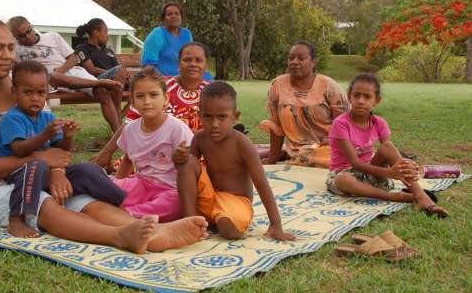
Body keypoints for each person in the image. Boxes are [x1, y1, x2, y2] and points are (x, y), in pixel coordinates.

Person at [0, 17, 208, 254]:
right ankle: (120, 236)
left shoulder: (26, 89)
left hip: (36, 175)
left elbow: (52, 147)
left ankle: (155, 231)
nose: (7, 55)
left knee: (81, 198)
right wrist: (44, 160)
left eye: (11, 47)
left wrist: (57, 173)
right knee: (44, 203)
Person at [0, 60, 126, 238]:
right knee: (36, 164)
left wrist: (68, 137)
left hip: (48, 173)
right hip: (20, 173)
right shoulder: (12, 119)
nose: (35, 98)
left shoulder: (47, 117)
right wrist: (45, 136)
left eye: (41, 93)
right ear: (14, 92)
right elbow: (19, 149)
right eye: (28, 92)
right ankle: (17, 219)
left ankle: (123, 202)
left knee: (88, 169)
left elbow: (61, 152)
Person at [177, 81, 297, 241]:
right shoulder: (199, 138)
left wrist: (276, 224)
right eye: (207, 116)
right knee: (187, 162)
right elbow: (191, 174)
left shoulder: (242, 144)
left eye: (222, 117)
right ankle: (191, 222)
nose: (214, 124)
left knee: (228, 227)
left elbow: (262, 184)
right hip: (209, 198)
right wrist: (179, 160)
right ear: (200, 115)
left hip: (235, 203)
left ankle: (217, 221)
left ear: (235, 117)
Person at [326, 73, 448, 217]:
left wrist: (407, 165)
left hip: (371, 173)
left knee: (388, 147)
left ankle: (421, 197)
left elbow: (390, 152)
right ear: (349, 96)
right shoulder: (341, 123)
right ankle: (399, 197)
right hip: (344, 174)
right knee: (343, 180)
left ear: (376, 100)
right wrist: (389, 173)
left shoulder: (379, 123)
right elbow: (355, 163)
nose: (360, 101)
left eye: (367, 97)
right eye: (356, 95)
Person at [93, 43, 211, 172]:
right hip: (154, 155)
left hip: (200, 156)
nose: (192, 64)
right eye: (187, 60)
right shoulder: (159, 87)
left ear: (206, 65)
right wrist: (105, 154)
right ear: (178, 63)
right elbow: (130, 122)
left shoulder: (213, 93)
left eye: (198, 60)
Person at [7, 16, 123, 132]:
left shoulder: (52, 36)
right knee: (53, 76)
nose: (27, 36)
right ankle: (100, 82)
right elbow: (11, 69)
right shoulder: (15, 49)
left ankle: (119, 136)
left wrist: (61, 70)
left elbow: (73, 58)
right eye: (21, 36)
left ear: (31, 26)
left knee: (102, 91)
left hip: (70, 73)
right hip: (49, 81)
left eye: (28, 31)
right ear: (15, 37)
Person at [113, 67, 194, 222]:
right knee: (107, 186)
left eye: (154, 95)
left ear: (166, 98)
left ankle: (127, 214)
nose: (147, 102)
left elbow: (191, 165)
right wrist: (115, 187)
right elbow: (127, 160)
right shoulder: (130, 129)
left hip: (170, 189)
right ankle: (121, 211)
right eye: (140, 96)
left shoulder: (176, 128)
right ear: (133, 101)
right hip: (142, 184)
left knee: (176, 203)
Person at [259, 42, 350, 168]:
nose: (294, 62)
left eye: (301, 58)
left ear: (313, 62)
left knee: (337, 158)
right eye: (291, 58)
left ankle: (293, 156)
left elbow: (345, 125)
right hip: (298, 151)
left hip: (328, 148)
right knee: (304, 156)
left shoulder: (329, 86)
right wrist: (272, 159)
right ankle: (288, 154)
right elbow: (277, 127)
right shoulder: (277, 85)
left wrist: (331, 141)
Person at [75, 18, 130, 124]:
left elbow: (119, 69)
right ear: (96, 32)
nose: (107, 35)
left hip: (116, 82)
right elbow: (91, 70)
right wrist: (115, 73)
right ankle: (118, 117)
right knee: (119, 71)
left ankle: (118, 121)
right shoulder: (82, 48)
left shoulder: (108, 50)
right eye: (105, 31)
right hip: (96, 83)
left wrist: (125, 76)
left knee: (140, 87)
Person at [141, 2, 212, 80]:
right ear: (163, 18)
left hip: (187, 77)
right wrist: (166, 81)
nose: (173, 16)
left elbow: (193, 57)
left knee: (211, 83)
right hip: (163, 80)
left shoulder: (186, 34)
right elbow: (148, 67)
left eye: (177, 13)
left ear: (181, 17)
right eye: (169, 14)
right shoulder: (157, 34)